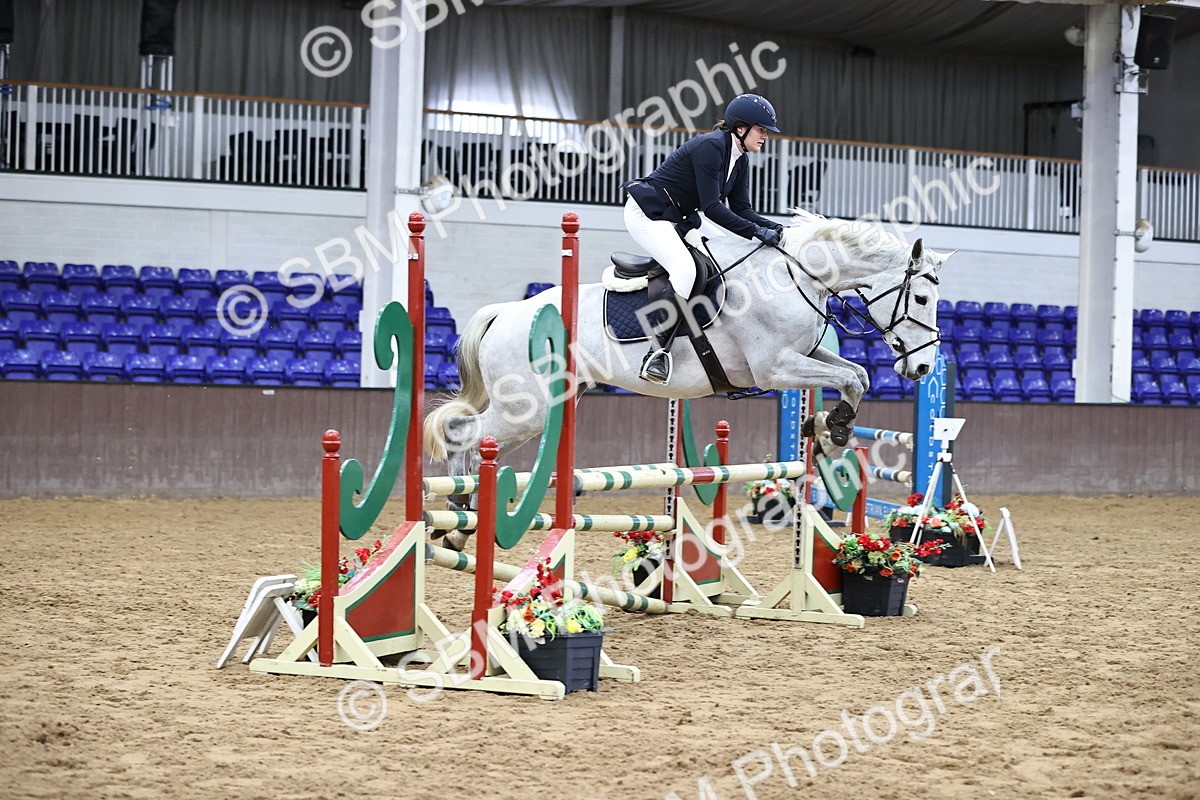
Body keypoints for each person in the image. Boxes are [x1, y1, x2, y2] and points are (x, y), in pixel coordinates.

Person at [623, 93, 785, 385]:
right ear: (741, 128)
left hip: (678, 216)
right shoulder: (711, 147)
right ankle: (656, 353)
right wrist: (756, 232)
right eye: (761, 131)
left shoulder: (740, 159)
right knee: (686, 270)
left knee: (734, 251)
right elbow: (712, 208)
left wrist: (775, 227)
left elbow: (742, 209)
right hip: (648, 214)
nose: (765, 137)